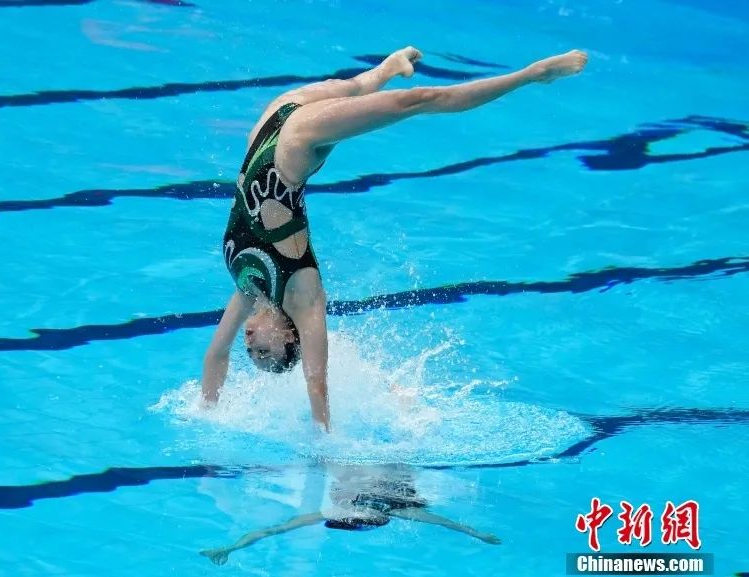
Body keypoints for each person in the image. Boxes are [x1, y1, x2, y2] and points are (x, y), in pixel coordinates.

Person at [200, 47, 589, 431]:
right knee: (418, 100)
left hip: (266, 130)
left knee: (350, 85)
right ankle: (532, 74)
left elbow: (217, 354)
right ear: (289, 335)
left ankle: (387, 68)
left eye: (250, 350)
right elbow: (316, 382)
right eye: (263, 350)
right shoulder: (302, 297)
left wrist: (207, 410)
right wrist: (326, 445)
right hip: (293, 148)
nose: (249, 341)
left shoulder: (250, 289)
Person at [199, 464, 500, 566]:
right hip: (392, 467)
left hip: (357, 462)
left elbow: (275, 530)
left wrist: (233, 546)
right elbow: (450, 524)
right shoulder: (402, 509)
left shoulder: (330, 511)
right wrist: (479, 534)